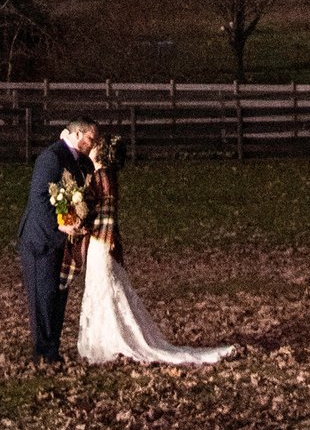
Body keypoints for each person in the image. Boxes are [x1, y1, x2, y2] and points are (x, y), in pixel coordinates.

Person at [75, 132, 235, 368]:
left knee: (104, 288)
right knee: (104, 288)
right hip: (103, 241)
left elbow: (99, 213)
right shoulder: (106, 175)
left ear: (101, 153)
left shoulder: (101, 176)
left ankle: (109, 341)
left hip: (101, 242)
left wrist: (79, 219)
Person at [16, 116, 99, 368]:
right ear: (76, 135)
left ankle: (53, 348)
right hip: (41, 239)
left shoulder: (83, 163)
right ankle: (43, 352)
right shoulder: (51, 157)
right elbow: (40, 198)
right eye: (90, 139)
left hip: (65, 241)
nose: (93, 144)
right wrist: (60, 224)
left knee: (58, 297)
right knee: (43, 297)